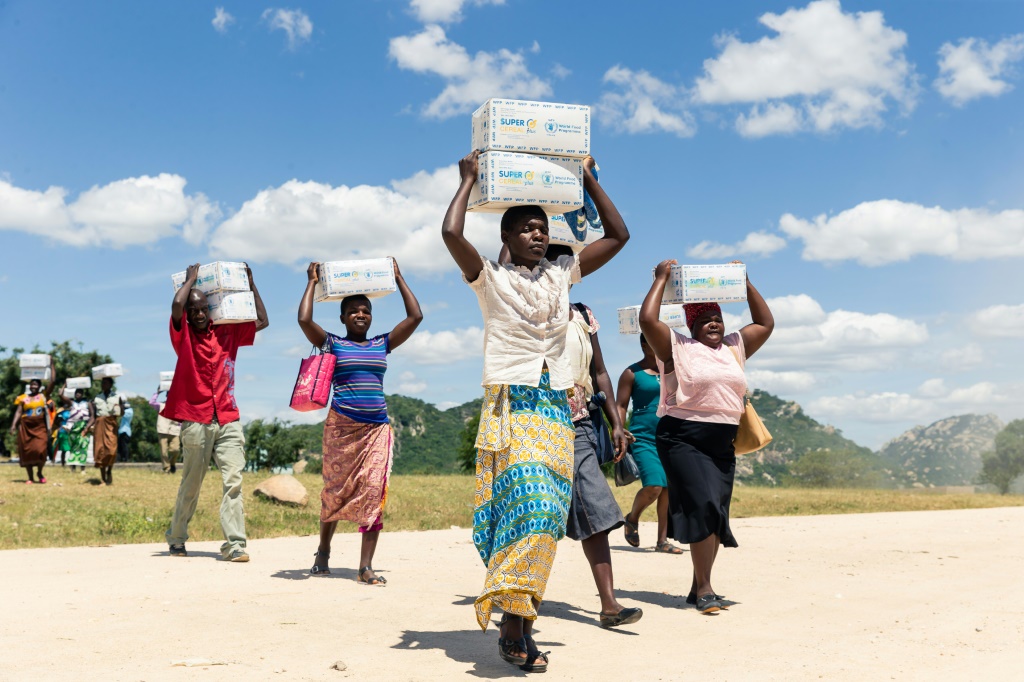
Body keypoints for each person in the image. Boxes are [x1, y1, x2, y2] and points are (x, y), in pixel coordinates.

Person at [442, 150, 629, 672]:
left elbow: (618, 237)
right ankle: (513, 624)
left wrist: (589, 179)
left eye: (542, 228)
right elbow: (452, 235)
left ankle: (517, 618)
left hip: (554, 406)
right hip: (511, 404)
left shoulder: (561, 276)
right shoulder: (489, 279)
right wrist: (468, 181)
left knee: (546, 516)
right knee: (523, 507)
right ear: (506, 238)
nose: (538, 235)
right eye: (526, 228)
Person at [639, 259, 774, 615]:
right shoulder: (676, 348)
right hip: (682, 437)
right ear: (690, 326)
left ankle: (699, 584)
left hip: (721, 442)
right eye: (703, 320)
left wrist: (744, 282)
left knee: (716, 512)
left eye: (717, 318)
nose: (713, 324)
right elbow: (648, 321)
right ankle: (705, 589)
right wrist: (661, 279)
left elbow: (765, 323)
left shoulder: (734, 347)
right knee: (704, 505)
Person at [297, 259, 422, 584]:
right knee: (335, 492)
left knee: (373, 493)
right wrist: (311, 282)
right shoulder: (333, 344)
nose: (360, 314)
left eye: (365, 310)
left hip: (376, 429)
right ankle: (323, 552)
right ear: (342, 318)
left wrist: (398, 277)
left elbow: (415, 316)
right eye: (353, 310)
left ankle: (365, 567)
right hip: (341, 428)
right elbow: (304, 319)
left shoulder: (382, 343)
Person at [164, 262, 269, 562]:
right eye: (193, 309)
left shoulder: (227, 333)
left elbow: (262, 320)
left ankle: (235, 544)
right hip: (195, 421)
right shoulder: (182, 335)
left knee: (234, 481)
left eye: (203, 308)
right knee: (192, 483)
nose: (198, 313)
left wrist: (251, 284)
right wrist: (191, 280)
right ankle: (177, 537)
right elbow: (176, 305)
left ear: (210, 310)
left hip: (228, 418)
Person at [560, 282, 643, 629]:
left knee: (594, 505)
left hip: (579, 424)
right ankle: (514, 607)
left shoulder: (582, 313)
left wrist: (616, 422)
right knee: (532, 515)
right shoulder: (519, 303)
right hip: (530, 423)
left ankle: (609, 605)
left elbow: (599, 372)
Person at [615, 334, 683, 555]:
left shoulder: (674, 370)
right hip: (642, 437)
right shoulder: (631, 373)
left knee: (667, 490)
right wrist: (620, 429)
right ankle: (632, 518)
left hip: (671, 436)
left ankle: (662, 540)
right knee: (654, 485)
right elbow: (621, 404)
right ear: (645, 344)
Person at [9, 358, 56, 483]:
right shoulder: (22, 398)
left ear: (40, 386)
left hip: (40, 426)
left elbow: (53, 381)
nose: (33, 386)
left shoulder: (43, 396)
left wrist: (52, 365)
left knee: (40, 449)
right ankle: (30, 477)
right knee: (27, 451)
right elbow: (19, 412)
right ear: (29, 386)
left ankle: (39, 472)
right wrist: (13, 425)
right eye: (32, 384)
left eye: (36, 384)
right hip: (26, 426)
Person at [86, 377, 126, 486]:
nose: (103, 385)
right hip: (99, 425)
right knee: (100, 451)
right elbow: (93, 416)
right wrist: (87, 428)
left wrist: (119, 407)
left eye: (106, 383)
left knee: (111, 450)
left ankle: (109, 470)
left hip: (111, 424)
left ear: (111, 385)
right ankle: (103, 478)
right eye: (102, 383)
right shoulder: (97, 398)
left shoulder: (117, 397)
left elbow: (122, 413)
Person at [59, 385, 92, 473]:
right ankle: (72, 469)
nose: (78, 394)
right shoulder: (72, 403)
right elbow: (60, 395)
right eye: (76, 392)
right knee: (73, 448)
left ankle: (82, 469)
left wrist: (87, 427)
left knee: (83, 447)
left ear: (82, 394)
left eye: (80, 392)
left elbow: (92, 416)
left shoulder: (87, 403)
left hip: (84, 427)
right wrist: (65, 385)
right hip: (73, 428)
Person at [150, 388, 181, 474]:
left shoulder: (178, 406)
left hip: (175, 431)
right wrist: (158, 392)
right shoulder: (161, 405)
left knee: (175, 450)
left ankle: (172, 463)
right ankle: (166, 468)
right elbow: (151, 403)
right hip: (162, 430)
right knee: (163, 452)